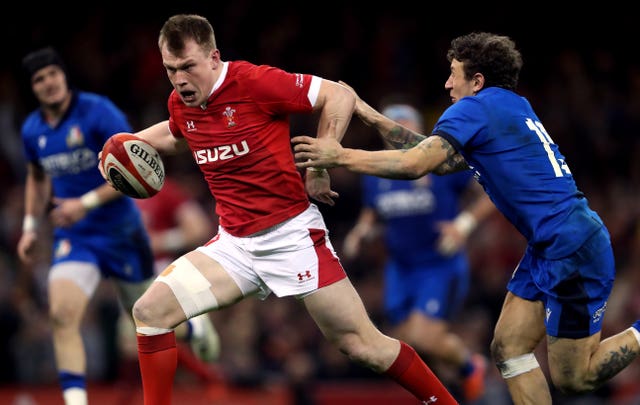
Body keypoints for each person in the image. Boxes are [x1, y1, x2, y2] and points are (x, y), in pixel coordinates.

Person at [102, 14, 459, 405]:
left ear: (213, 58)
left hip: (292, 237)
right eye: (171, 70)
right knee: (150, 313)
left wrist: (322, 164)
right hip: (234, 246)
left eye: (188, 67)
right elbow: (177, 132)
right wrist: (123, 147)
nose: (180, 79)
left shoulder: (254, 82)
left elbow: (338, 96)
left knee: (363, 347)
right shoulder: (182, 103)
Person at [292, 32, 640, 405]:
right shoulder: (508, 106)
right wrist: (369, 115)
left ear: (477, 81)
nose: (446, 83)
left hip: (571, 248)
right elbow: (438, 160)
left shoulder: (475, 108)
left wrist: (339, 155)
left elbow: (416, 165)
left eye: (453, 73)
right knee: (508, 349)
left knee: (575, 379)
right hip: (552, 243)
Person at [16, 46, 217, 405]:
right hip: (76, 237)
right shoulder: (32, 130)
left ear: (63, 76)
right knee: (62, 314)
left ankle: (192, 324)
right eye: (39, 79)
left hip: (121, 232)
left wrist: (86, 203)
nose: (48, 83)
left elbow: (133, 162)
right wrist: (31, 226)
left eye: (53, 74)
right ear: (32, 88)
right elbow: (35, 177)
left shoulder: (98, 111)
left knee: (147, 319)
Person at [342, 101, 495, 402]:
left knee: (424, 335)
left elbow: (491, 192)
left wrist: (463, 224)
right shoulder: (376, 173)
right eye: (396, 127)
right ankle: (449, 391)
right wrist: (361, 231)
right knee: (406, 340)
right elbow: (373, 211)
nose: (402, 133)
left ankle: (469, 366)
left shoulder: (441, 164)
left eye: (408, 126)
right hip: (400, 267)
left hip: (438, 263)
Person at [116, 176, 223, 399]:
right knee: (133, 341)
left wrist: (161, 241)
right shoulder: (115, 195)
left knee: (132, 338)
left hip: (156, 271)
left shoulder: (164, 191)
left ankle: (209, 378)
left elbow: (199, 228)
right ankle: (198, 344)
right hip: (126, 274)